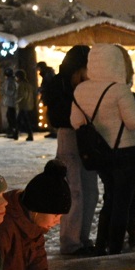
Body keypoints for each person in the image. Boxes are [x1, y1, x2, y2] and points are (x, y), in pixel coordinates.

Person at [71, 44, 135, 255]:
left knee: (110, 197)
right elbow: (134, 122)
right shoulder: (119, 89)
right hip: (125, 150)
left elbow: (75, 121)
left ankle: (101, 243)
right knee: (122, 203)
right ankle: (115, 247)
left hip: (100, 153)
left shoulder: (81, 89)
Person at [42, 46, 99, 257]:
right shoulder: (59, 84)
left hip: (87, 137)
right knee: (74, 192)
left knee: (91, 192)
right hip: (69, 136)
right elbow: (56, 117)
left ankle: (83, 239)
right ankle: (70, 243)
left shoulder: (87, 83)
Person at [37, 62, 58, 138]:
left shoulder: (47, 75)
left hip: (50, 97)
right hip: (50, 97)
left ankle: (54, 131)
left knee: (50, 114)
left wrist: (41, 89)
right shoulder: (48, 74)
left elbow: (48, 86)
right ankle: (52, 131)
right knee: (49, 114)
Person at [15, 69, 36, 142]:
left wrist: (16, 100)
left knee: (22, 120)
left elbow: (21, 95)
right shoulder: (29, 84)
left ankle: (27, 135)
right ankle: (16, 134)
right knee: (23, 120)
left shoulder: (21, 85)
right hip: (29, 104)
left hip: (23, 105)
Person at [1, 67, 18, 140]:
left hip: (11, 101)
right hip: (11, 102)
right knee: (10, 116)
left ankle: (13, 131)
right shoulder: (11, 81)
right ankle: (12, 131)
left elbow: (10, 91)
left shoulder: (10, 81)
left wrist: (3, 91)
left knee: (11, 117)